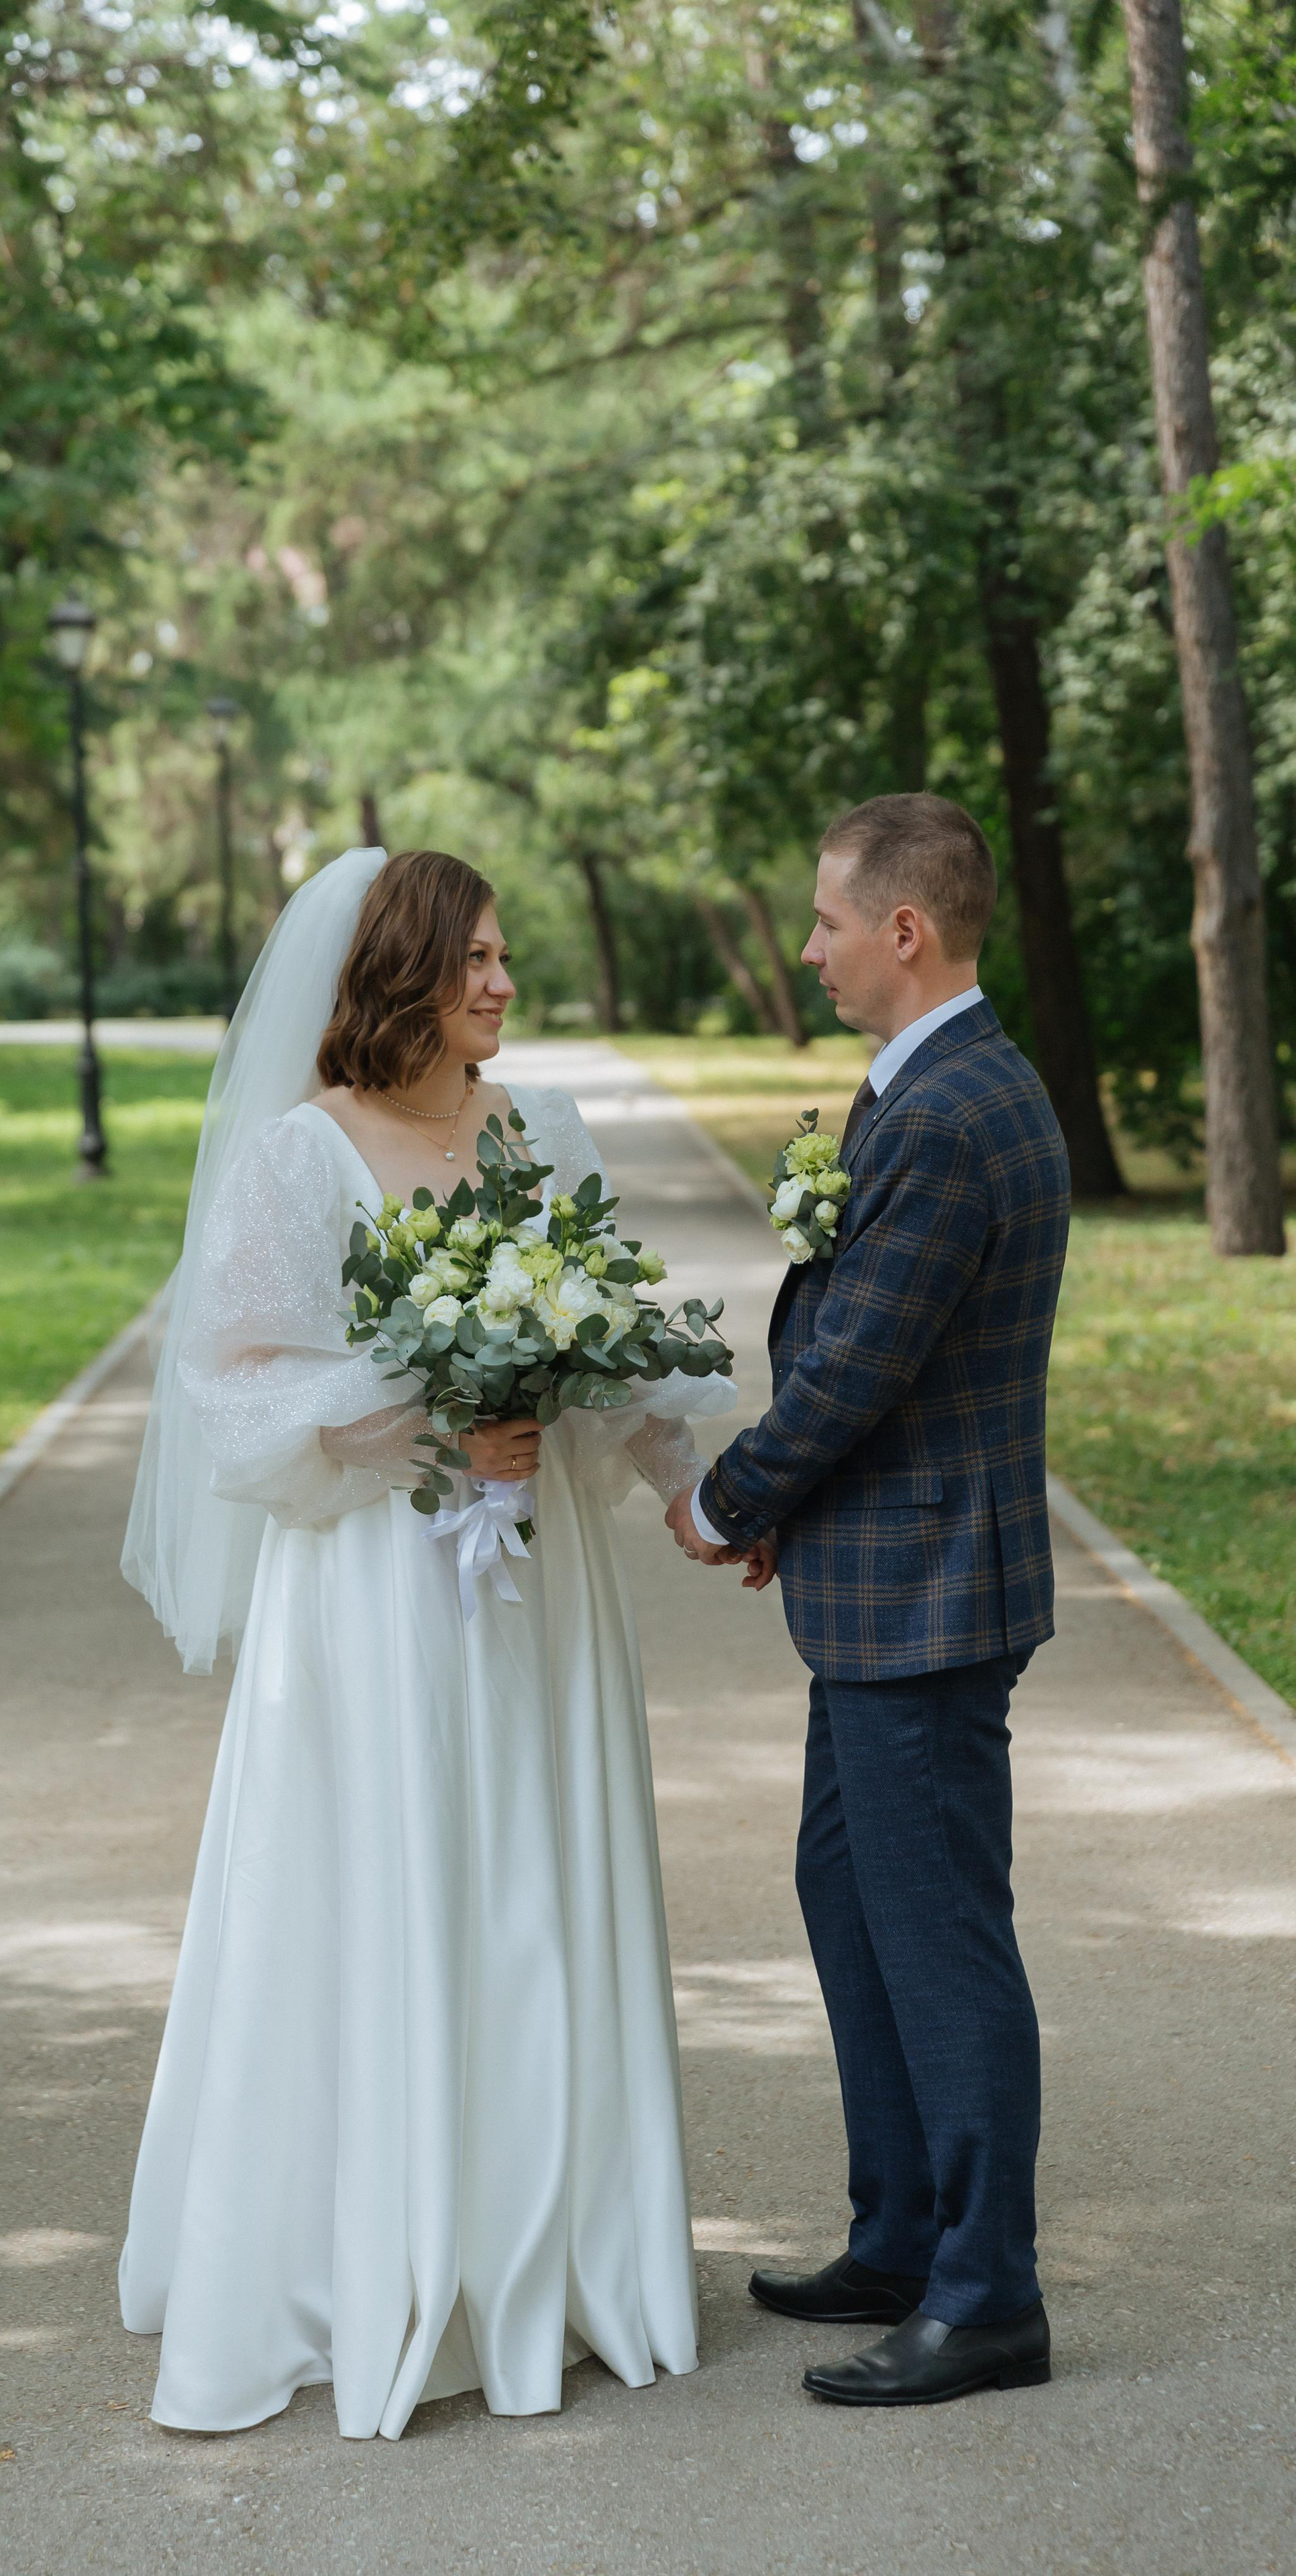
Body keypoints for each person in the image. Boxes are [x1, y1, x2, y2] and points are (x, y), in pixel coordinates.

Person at [119, 845, 735, 2439]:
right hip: (376, 1596)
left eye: (505, 956)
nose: (501, 983)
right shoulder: (300, 1156)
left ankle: (560, 2254)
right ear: (400, 972)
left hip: (541, 1588)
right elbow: (230, 1386)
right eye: (473, 959)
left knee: (537, 1881)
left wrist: (680, 1481)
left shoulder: (530, 1131)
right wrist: (421, 1422)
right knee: (391, 1881)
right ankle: (377, 2258)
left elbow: (607, 1346)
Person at [667, 792, 1070, 2409]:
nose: (808, 948)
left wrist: (727, 1498)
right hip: (883, 1580)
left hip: (925, 1594)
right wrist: (794, 1511)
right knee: (847, 1892)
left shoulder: (949, 1113)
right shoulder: (919, 1083)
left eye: (827, 920)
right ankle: (900, 2232)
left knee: (938, 1934)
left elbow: (855, 1372)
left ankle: (985, 2297)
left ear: (903, 930)